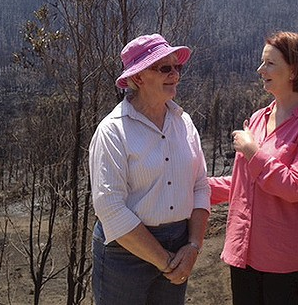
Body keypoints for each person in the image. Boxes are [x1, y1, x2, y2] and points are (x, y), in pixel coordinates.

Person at [208, 31, 298, 305]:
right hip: (245, 252)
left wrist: (253, 151)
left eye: (269, 64)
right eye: (262, 63)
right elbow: (247, 183)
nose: (260, 70)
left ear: (294, 70)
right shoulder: (257, 119)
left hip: (288, 260)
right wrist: (199, 186)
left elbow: (296, 186)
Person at [89, 34, 211, 305]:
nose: (175, 75)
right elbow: (110, 208)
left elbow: (200, 186)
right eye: (165, 68)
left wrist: (193, 247)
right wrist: (165, 261)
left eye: (177, 67)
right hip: (125, 255)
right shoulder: (112, 131)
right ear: (140, 78)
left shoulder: (184, 123)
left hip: (180, 246)